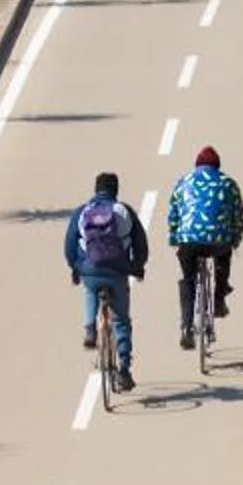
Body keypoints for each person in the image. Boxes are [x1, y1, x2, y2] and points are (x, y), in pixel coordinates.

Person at [63, 167, 149, 390]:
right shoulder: (123, 210)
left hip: (89, 270)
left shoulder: (83, 211)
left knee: (90, 290)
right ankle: (124, 370)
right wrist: (137, 267)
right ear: (116, 190)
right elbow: (141, 244)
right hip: (118, 272)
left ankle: (90, 329)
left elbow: (69, 246)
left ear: (96, 189)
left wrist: (75, 267)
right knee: (121, 321)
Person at [166, 143, 243, 349]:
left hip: (189, 241)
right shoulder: (228, 183)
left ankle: (186, 326)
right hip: (218, 240)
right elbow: (238, 216)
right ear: (217, 167)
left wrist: (174, 238)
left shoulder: (183, 181)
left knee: (188, 279)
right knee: (223, 258)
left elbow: (173, 215)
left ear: (197, 166)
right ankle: (219, 300)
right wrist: (235, 240)